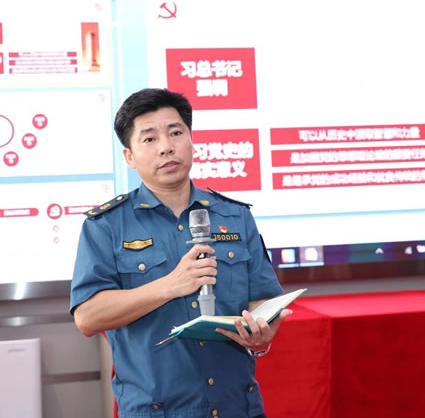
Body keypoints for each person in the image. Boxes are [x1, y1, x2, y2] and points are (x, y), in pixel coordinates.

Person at [69, 88, 290, 418]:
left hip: (237, 407)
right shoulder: (106, 226)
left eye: (175, 133)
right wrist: (170, 286)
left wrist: (261, 332)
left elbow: (262, 299)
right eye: (149, 138)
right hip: (157, 411)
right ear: (129, 156)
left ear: (191, 139)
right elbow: (88, 317)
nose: (166, 147)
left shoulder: (235, 216)